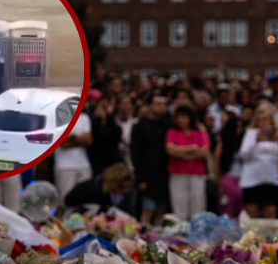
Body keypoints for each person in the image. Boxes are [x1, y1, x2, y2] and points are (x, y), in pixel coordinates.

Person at [238, 105, 278, 218]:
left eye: (265, 118)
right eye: (260, 119)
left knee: (271, 211)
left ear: (271, 120)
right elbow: (244, 155)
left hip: (271, 179)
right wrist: (256, 141)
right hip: (252, 178)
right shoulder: (251, 133)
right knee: (251, 212)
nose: (263, 122)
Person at [165, 105, 210, 221]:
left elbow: (204, 151)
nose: (181, 120)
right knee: (179, 203)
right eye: (179, 117)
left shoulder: (199, 133)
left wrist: (181, 152)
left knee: (198, 202)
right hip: (178, 172)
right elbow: (170, 150)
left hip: (197, 173)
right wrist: (191, 148)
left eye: (184, 117)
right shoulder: (173, 132)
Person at [131, 95, 171, 225]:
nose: (161, 107)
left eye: (163, 104)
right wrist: (140, 178)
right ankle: (144, 237)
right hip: (148, 175)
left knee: (162, 209)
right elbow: (136, 153)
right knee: (148, 209)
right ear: (149, 106)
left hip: (165, 173)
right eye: (157, 104)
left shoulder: (168, 124)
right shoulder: (140, 126)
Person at [54, 108, 94, 202]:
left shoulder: (84, 117)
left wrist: (72, 137)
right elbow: (63, 143)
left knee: (86, 200)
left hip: (84, 165)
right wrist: (80, 139)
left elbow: (89, 140)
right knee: (65, 200)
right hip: (64, 167)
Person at [64, 162, 134, 213]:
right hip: (78, 209)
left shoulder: (122, 193)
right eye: (120, 187)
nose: (124, 190)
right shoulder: (97, 188)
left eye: (126, 187)